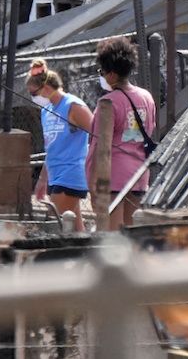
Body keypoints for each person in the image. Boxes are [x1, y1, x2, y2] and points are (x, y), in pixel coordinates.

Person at [91, 36, 156, 231]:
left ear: (111, 74)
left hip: (112, 178)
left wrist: (92, 184)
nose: (101, 75)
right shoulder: (146, 97)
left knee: (111, 239)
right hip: (139, 174)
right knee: (132, 236)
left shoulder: (108, 103)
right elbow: (150, 129)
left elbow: (97, 147)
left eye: (102, 71)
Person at [27, 60, 94, 227]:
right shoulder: (45, 111)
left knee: (65, 225)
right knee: (74, 225)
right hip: (55, 173)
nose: (33, 98)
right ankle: (86, 251)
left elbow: (98, 134)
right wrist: (43, 179)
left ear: (47, 89)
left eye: (34, 94)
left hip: (71, 172)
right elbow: (51, 148)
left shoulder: (73, 106)